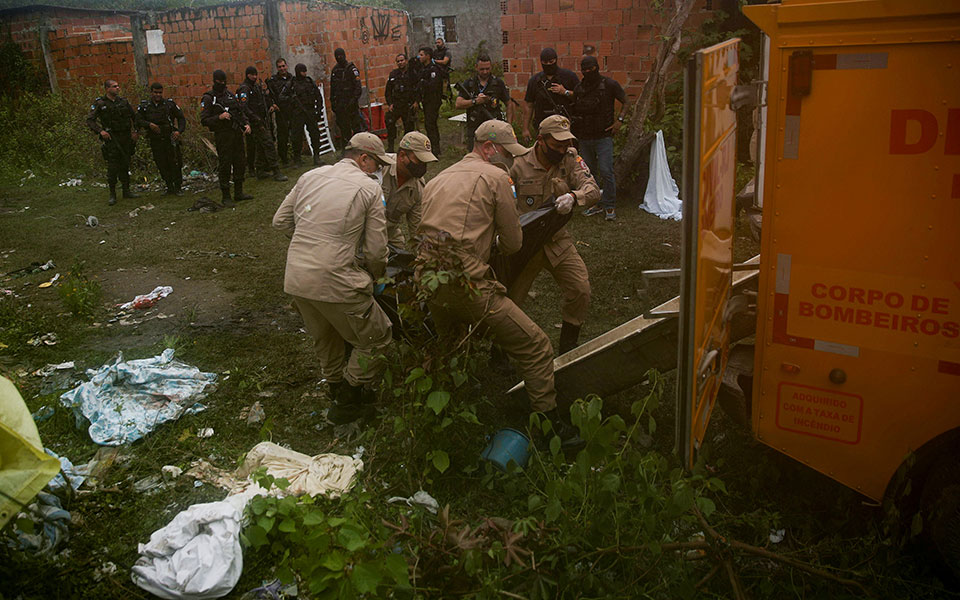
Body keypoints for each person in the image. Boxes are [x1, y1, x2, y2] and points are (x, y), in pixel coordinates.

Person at [416, 120, 578, 443]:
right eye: (506, 153)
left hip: (427, 279)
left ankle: (438, 419)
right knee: (537, 346)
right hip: (467, 281)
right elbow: (513, 243)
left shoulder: (437, 178)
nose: (511, 162)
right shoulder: (495, 176)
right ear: (489, 148)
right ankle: (548, 426)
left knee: (449, 345)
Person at [272, 133, 395, 425]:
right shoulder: (368, 188)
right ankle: (348, 398)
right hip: (336, 278)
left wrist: (309, 244)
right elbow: (377, 251)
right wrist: (374, 276)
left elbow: (280, 221)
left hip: (297, 277)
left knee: (325, 336)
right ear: (364, 158)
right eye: (377, 165)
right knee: (377, 338)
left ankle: (334, 386)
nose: (378, 172)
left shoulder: (310, 176)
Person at [508, 115, 600, 355]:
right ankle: (500, 351)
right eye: (557, 145)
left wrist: (574, 197)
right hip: (526, 244)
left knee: (580, 289)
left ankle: (568, 346)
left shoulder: (569, 159)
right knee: (510, 300)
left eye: (565, 144)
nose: (562, 149)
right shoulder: (518, 164)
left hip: (557, 240)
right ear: (540, 140)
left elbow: (593, 190)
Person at [574, 56, 627, 221]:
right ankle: (595, 203)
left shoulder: (609, 84)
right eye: (585, 69)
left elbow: (626, 102)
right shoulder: (580, 88)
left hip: (604, 136)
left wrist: (619, 121)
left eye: (591, 69)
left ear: (597, 67)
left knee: (606, 171)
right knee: (589, 174)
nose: (588, 72)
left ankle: (609, 205)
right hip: (585, 137)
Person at [200, 69, 252, 206]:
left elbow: (240, 111)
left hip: (236, 134)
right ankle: (226, 195)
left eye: (224, 81)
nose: (222, 84)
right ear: (214, 81)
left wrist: (246, 124)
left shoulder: (229, 95)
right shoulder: (209, 98)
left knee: (240, 162)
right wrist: (219, 117)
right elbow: (204, 119)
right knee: (225, 165)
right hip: (223, 135)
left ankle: (239, 192)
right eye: (219, 82)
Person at [87, 79, 139, 205]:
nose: (117, 88)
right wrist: (100, 131)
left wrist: (135, 131)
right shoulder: (100, 103)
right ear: (107, 89)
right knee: (113, 167)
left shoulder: (123, 102)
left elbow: (135, 117)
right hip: (112, 139)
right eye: (114, 86)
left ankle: (126, 190)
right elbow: (90, 120)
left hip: (125, 137)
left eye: (118, 86)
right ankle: (112, 194)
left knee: (125, 164)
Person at [382, 131, 437, 247]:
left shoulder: (418, 188)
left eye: (425, 163)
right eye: (419, 161)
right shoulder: (379, 167)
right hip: (360, 226)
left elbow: (417, 227)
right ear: (402, 156)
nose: (422, 167)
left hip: (388, 231)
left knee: (400, 253)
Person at [237, 66, 288, 182]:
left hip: (262, 119)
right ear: (247, 75)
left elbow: (263, 100)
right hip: (255, 122)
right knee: (268, 144)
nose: (255, 77)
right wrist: (254, 118)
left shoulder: (255, 86)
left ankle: (260, 170)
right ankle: (276, 171)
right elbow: (244, 107)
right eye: (252, 75)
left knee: (260, 145)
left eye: (256, 74)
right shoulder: (245, 89)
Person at [136, 82, 185, 196]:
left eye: (160, 93)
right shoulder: (145, 106)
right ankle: (169, 186)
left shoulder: (169, 104)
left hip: (170, 138)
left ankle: (177, 187)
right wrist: (149, 125)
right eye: (155, 92)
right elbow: (138, 120)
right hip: (156, 139)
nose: (158, 95)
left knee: (175, 162)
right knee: (161, 163)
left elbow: (181, 118)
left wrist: (179, 131)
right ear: (151, 92)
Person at [522, 48, 579, 142]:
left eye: (551, 62)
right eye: (545, 62)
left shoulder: (568, 76)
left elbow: (580, 96)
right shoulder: (535, 80)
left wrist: (565, 92)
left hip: (564, 125)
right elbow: (529, 105)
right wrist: (525, 129)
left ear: (556, 60)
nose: (548, 65)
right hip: (543, 125)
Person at [455, 52, 509, 149]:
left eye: (487, 69)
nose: (485, 72)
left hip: (493, 126)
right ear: (476, 67)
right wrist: (475, 101)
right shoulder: (469, 83)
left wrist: (508, 124)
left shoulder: (498, 83)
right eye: (482, 69)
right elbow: (458, 104)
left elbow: (509, 104)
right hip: (474, 127)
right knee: (475, 157)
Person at [280, 63, 324, 166]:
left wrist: (319, 110)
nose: (305, 73)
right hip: (298, 113)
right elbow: (282, 97)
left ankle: (316, 156)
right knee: (297, 136)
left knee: (315, 134)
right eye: (303, 71)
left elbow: (318, 96)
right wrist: (292, 100)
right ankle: (297, 159)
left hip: (310, 111)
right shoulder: (292, 83)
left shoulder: (309, 81)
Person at [384, 53, 418, 153]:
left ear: (406, 61)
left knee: (408, 128)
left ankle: (407, 148)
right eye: (398, 61)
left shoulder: (412, 74)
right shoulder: (393, 74)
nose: (400, 63)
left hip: (408, 104)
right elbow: (388, 91)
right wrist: (390, 103)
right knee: (389, 122)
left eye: (402, 60)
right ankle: (390, 147)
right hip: (397, 104)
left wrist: (416, 102)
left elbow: (417, 89)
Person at [415, 46, 444, 157]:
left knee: (431, 124)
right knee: (428, 125)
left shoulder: (434, 69)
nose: (419, 57)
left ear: (427, 56)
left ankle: (436, 149)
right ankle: (432, 147)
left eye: (421, 55)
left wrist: (424, 82)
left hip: (433, 100)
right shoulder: (422, 69)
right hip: (426, 101)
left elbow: (434, 86)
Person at [330, 48, 363, 145]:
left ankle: (359, 147)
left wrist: (353, 100)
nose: (339, 58)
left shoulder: (351, 69)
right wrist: (333, 102)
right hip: (340, 105)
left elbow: (358, 87)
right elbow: (333, 88)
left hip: (351, 104)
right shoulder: (335, 70)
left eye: (340, 55)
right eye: (337, 56)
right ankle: (346, 149)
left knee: (356, 128)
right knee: (344, 129)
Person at [266, 58, 294, 166]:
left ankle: (296, 157)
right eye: (279, 67)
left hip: (291, 109)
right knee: (282, 136)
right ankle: (284, 159)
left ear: (286, 66)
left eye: (283, 66)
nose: (282, 68)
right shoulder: (273, 81)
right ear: (277, 68)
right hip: (281, 111)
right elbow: (269, 96)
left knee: (295, 134)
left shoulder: (291, 78)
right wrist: (273, 104)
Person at [433, 37, 452, 101]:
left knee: (445, 90)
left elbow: (445, 62)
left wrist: (434, 61)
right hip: (436, 73)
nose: (437, 44)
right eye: (436, 43)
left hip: (444, 73)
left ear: (443, 43)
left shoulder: (447, 51)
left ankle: (449, 102)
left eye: (439, 42)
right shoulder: (435, 52)